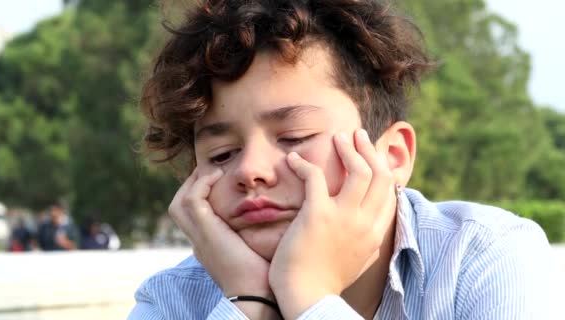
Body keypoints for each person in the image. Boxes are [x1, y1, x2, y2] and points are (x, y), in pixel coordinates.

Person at [128, 1, 554, 319]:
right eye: (221, 154)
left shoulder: (483, 257)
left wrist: (309, 295)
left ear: (393, 155)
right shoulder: (171, 301)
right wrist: (248, 303)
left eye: (294, 137)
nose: (249, 170)